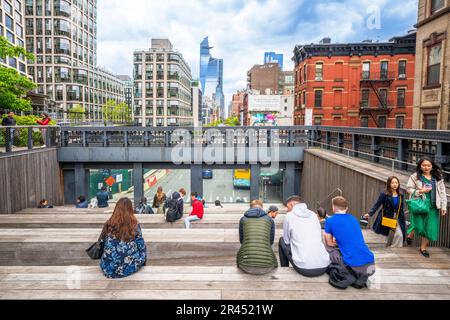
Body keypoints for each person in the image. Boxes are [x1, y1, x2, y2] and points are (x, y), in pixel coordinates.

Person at [324, 196, 375, 286]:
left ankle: (347, 271)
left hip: (354, 266)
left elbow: (329, 243)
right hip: (371, 264)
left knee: (327, 248)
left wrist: (335, 242)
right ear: (346, 208)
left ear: (333, 207)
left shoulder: (329, 221)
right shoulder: (353, 218)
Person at [278, 196, 330, 277]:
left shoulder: (289, 216)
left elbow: (286, 241)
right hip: (324, 265)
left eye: (287, 207)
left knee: (282, 241)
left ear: (292, 205)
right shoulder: (313, 215)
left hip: (304, 268)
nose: (287, 210)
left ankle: (284, 270)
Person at [406, 158, 447, 258]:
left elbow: (442, 192)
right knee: (418, 226)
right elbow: (409, 189)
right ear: (420, 166)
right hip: (419, 205)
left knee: (429, 229)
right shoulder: (415, 177)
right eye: (424, 165)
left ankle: (423, 248)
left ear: (432, 166)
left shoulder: (438, 177)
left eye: (428, 165)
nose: (426, 167)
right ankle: (411, 233)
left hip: (433, 206)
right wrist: (420, 191)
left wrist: (443, 206)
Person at [99, 198, 147, 278]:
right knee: (140, 249)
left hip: (108, 268)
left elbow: (103, 242)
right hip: (127, 266)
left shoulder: (109, 223)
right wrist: (143, 256)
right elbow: (140, 244)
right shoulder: (134, 223)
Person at [236, 199, 278, 275]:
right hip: (267, 266)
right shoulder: (270, 220)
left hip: (245, 266)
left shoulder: (243, 219)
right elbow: (271, 241)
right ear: (261, 207)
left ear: (250, 207)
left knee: (239, 256)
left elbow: (242, 240)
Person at [365, 176, 406, 247]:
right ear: (389, 184)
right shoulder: (384, 194)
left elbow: (401, 208)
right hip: (386, 217)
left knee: (399, 234)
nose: (394, 184)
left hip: (397, 218)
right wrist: (369, 213)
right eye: (392, 182)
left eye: (396, 182)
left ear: (398, 184)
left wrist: (403, 219)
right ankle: (385, 248)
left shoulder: (401, 195)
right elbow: (377, 205)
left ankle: (395, 248)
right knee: (384, 236)